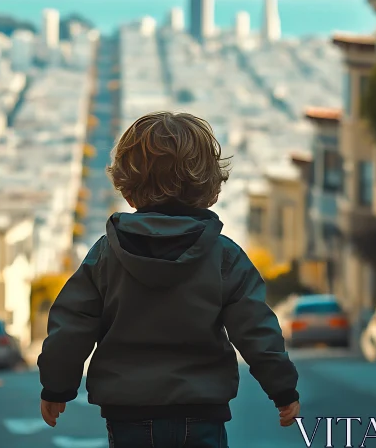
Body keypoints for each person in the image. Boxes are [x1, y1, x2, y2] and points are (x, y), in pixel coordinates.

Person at [38, 111, 300, 447]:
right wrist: (282, 389)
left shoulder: (106, 255)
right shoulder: (224, 257)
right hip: (202, 410)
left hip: (128, 413)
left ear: (127, 187)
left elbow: (72, 325)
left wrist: (57, 387)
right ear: (210, 187)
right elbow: (256, 329)